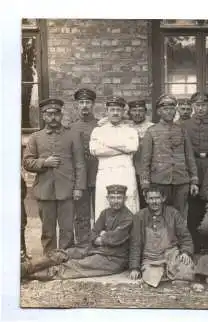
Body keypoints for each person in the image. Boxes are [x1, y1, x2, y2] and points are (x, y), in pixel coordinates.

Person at [21, 185, 134, 280]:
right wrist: (100, 236)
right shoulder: (105, 213)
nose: (115, 201)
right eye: (112, 197)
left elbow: (115, 238)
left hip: (113, 258)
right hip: (95, 248)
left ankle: (29, 275)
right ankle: (26, 267)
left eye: (119, 198)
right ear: (107, 198)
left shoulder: (128, 217)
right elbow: (94, 233)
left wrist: (103, 236)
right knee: (65, 253)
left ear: (125, 199)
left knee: (74, 266)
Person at [23, 98, 86, 255]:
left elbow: (80, 164)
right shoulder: (35, 137)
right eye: (49, 114)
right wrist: (44, 163)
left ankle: (65, 260)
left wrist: (79, 187)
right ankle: (49, 259)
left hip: (67, 190)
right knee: (48, 230)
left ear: (61, 114)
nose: (53, 117)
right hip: (44, 190)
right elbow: (27, 162)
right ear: (43, 116)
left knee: (67, 229)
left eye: (56, 113)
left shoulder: (72, 136)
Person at [140, 94, 198, 219]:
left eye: (172, 109)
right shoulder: (151, 131)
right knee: (159, 214)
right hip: (159, 180)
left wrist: (194, 179)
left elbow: (189, 156)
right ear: (159, 111)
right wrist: (145, 183)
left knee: (181, 215)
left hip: (181, 180)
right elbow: (145, 160)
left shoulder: (182, 130)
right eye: (165, 109)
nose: (169, 112)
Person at [129, 184, 195, 287]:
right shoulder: (139, 216)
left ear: (163, 198)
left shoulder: (173, 214)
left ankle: (168, 274)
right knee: (151, 279)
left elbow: (185, 236)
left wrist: (186, 252)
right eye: (151, 198)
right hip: (151, 258)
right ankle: (164, 274)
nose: (154, 202)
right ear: (146, 200)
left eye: (157, 198)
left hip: (172, 255)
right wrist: (134, 267)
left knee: (187, 270)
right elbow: (135, 243)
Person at [183, 91, 208, 252]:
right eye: (197, 105)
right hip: (192, 166)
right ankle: (194, 242)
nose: (201, 108)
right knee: (193, 205)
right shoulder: (185, 125)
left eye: (204, 105)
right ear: (193, 106)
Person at [90, 96, 140, 219]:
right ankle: (104, 235)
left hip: (125, 172)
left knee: (129, 203)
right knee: (104, 203)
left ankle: (131, 236)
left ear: (123, 112)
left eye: (118, 110)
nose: (115, 113)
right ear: (107, 112)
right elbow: (95, 150)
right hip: (105, 172)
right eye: (112, 110)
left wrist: (106, 143)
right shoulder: (98, 130)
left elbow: (132, 147)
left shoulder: (130, 130)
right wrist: (122, 148)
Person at [70, 88, 99, 242]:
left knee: (100, 212)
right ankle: (82, 244)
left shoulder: (101, 125)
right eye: (81, 102)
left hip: (98, 175)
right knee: (81, 215)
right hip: (79, 179)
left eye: (88, 102)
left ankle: (98, 244)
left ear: (93, 104)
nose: (84, 105)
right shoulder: (71, 128)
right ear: (77, 105)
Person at [127, 99, 154, 209]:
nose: (137, 113)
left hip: (147, 171)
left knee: (146, 201)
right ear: (129, 112)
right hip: (129, 170)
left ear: (146, 112)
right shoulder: (125, 127)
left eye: (140, 110)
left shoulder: (152, 127)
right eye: (134, 110)